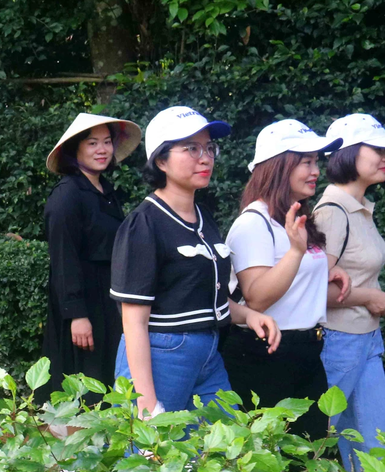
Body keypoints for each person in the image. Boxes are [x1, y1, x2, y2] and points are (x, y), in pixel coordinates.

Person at [110, 106, 281, 419]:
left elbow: (199, 293)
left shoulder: (205, 219)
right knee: (158, 459)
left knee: (230, 449)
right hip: (162, 356)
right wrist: (146, 404)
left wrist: (248, 315)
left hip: (208, 353)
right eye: (191, 148)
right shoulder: (143, 225)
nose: (205, 158)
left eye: (209, 148)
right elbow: (133, 321)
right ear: (160, 160)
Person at [223, 119, 350, 447]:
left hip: (307, 351)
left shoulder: (290, 219)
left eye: (316, 161)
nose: (316, 170)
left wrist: (325, 272)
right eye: (305, 161)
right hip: (265, 355)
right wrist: (296, 252)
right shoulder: (253, 223)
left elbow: (295, 279)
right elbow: (258, 298)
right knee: (261, 464)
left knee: (311, 461)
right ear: (278, 166)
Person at [317, 113, 385, 472]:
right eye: (378, 148)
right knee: (316, 438)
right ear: (349, 154)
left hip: (366, 339)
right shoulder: (333, 211)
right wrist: (369, 297)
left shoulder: (358, 207)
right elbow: (314, 290)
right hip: (338, 342)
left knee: (377, 440)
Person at [40, 113, 142, 406]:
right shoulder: (66, 196)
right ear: (76, 149)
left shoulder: (106, 191)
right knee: (83, 384)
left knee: (109, 378)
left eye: (107, 142)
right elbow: (63, 259)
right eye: (93, 142)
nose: (103, 149)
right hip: (83, 304)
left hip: (108, 300)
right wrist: (76, 315)